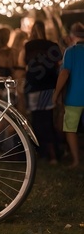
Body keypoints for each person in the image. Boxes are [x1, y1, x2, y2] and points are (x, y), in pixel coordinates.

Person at [20, 20, 62, 164]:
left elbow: (23, 63)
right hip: (48, 86)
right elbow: (58, 66)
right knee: (48, 119)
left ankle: (40, 152)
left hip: (33, 86)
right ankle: (53, 155)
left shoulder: (28, 46)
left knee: (36, 120)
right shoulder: (53, 46)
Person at [53, 22, 84, 168]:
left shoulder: (71, 51)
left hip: (74, 97)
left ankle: (76, 160)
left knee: (70, 129)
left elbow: (65, 73)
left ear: (72, 36)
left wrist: (56, 93)